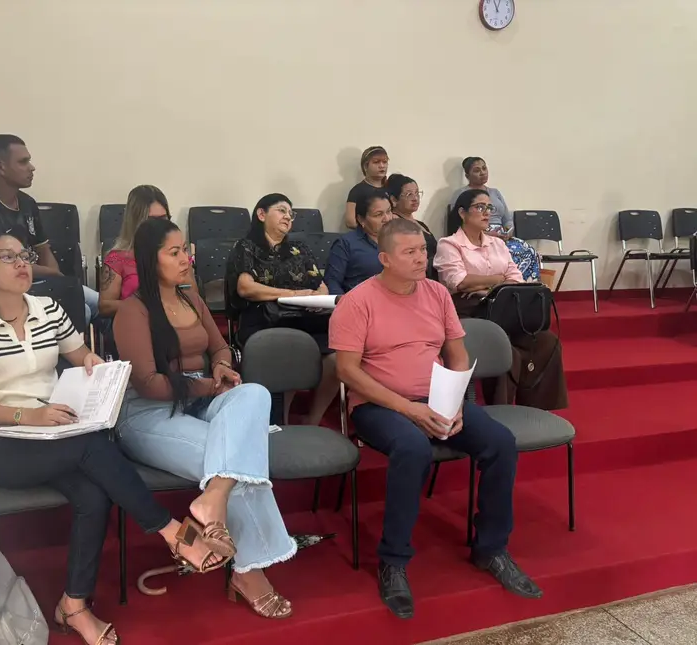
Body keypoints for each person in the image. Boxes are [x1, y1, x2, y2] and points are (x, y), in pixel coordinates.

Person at [0, 232, 225, 645]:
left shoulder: (47, 309)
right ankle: (171, 531)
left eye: (25, 255)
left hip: (53, 434)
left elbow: (81, 356)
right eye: (7, 256)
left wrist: (95, 365)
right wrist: (29, 416)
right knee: (92, 446)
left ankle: (73, 606)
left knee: (93, 495)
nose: (22, 263)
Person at [330, 217, 542, 620]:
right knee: (413, 448)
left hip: (439, 397)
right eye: (409, 252)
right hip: (379, 405)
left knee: (500, 443)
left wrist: (456, 400)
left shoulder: (437, 293)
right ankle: (394, 560)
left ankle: (491, 548)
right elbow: (347, 371)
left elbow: (457, 354)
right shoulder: (357, 301)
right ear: (384, 258)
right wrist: (408, 408)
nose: (420, 259)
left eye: (423, 251)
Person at [115, 218, 295, 619]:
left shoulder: (191, 298)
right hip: (148, 412)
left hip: (199, 398)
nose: (186, 259)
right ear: (150, 259)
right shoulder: (132, 310)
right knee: (233, 462)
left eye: (186, 250)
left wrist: (221, 368)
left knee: (255, 393)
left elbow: (221, 347)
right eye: (174, 252)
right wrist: (208, 386)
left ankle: (211, 501)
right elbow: (148, 384)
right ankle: (248, 573)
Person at [434, 189, 568, 410]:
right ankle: (501, 410)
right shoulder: (449, 244)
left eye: (489, 207)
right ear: (462, 213)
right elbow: (459, 282)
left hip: (504, 307)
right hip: (470, 310)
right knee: (504, 348)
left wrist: (486, 286)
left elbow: (515, 278)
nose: (486, 212)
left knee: (546, 341)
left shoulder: (497, 244)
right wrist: (497, 280)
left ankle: (538, 409)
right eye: (480, 207)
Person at [0, 134, 100, 323]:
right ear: (1, 166)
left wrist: (54, 279)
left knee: (100, 303)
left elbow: (43, 248)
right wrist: (50, 274)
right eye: (23, 162)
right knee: (83, 311)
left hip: (37, 282)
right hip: (6, 292)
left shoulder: (27, 203)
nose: (32, 167)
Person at [226, 193, 339, 426]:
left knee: (337, 357)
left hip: (302, 318)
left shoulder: (299, 248)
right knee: (292, 348)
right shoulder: (246, 247)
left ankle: (313, 420)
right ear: (261, 214)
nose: (288, 217)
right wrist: (294, 295)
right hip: (263, 320)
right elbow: (245, 287)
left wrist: (316, 297)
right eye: (281, 210)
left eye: (291, 213)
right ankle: (282, 422)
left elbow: (321, 286)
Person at [98, 184, 196, 318]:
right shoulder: (118, 258)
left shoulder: (179, 254)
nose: (158, 226)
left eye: (163, 219)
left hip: (175, 320)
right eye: (151, 220)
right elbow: (105, 306)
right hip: (134, 322)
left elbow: (193, 296)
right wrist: (145, 305)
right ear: (135, 222)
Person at [449, 157, 540, 282]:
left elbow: (507, 218)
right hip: (479, 235)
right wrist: (488, 234)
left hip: (502, 236)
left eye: (484, 168)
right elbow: (456, 221)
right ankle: (503, 286)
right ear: (467, 176)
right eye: (477, 170)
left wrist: (508, 231)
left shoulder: (495, 192)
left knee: (529, 251)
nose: (482, 172)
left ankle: (526, 288)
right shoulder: (461, 194)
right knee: (508, 254)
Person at [324, 191, 394, 295]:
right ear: (361, 220)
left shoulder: (400, 240)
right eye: (378, 215)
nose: (387, 219)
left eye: (389, 211)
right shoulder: (345, 244)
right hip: (360, 301)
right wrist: (344, 302)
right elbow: (332, 282)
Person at [386, 173, 438, 280]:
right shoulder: (396, 224)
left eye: (417, 193)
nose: (415, 198)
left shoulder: (420, 224)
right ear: (394, 200)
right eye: (409, 194)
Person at [344, 146, 390, 229]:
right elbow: (350, 221)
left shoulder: (390, 187)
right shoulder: (357, 190)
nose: (382, 166)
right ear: (365, 166)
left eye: (385, 162)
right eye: (376, 162)